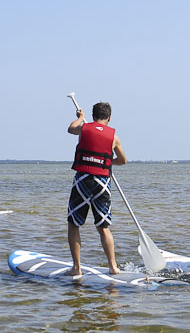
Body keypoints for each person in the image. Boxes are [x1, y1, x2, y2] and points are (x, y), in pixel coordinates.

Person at [65, 102, 127, 276]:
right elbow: (122, 160)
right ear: (109, 117)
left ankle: (77, 268)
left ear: (93, 116)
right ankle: (113, 267)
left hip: (83, 181)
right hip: (102, 183)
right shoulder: (114, 137)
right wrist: (108, 162)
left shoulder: (84, 128)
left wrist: (80, 118)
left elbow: (71, 129)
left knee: (74, 224)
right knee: (103, 227)